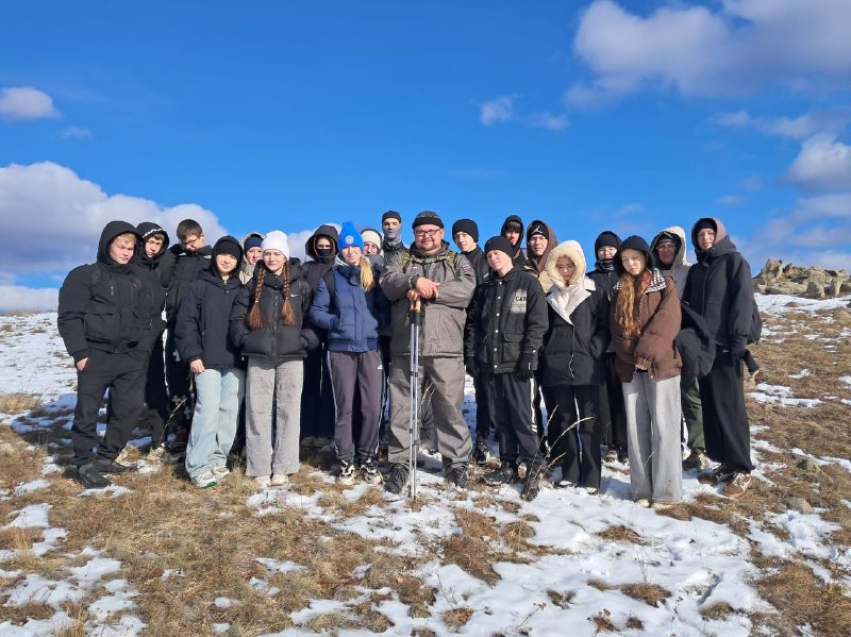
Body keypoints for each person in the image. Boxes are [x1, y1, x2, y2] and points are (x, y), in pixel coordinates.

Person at [58, 221, 163, 488]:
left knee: (128, 410)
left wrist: (142, 351)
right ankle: (84, 462)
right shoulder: (84, 275)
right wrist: (80, 353)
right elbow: (69, 316)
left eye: (131, 248)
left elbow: (148, 317)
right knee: (88, 412)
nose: (127, 252)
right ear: (107, 245)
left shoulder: (139, 280)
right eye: (121, 246)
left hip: (130, 357)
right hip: (95, 354)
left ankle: (107, 456)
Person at [379, 211, 476, 494]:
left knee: (448, 407)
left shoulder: (458, 261)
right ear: (414, 234)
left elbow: (465, 290)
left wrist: (430, 289)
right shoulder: (402, 259)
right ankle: (400, 461)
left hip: (446, 348)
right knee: (402, 407)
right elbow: (387, 282)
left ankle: (455, 462)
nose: (426, 236)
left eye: (432, 231)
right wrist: (411, 282)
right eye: (421, 232)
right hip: (406, 347)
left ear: (442, 232)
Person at [230, 231, 318, 489]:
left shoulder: (300, 285)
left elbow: (313, 319)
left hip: (292, 357)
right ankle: (259, 467)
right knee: (257, 411)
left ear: (285, 256)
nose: (271, 258)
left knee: (289, 411)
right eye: (267, 253)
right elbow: (236, 318)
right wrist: (244, 341)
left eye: (276, 253)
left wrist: (305, 341)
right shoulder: (253, 284)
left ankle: (283, 466)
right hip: (259, 356)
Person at [465, 236, 548, 500]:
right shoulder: (486, 287)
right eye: (489, 255)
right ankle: (508, 465)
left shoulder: (527, 283)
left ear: (509, 254)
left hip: (517, 364)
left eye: (497, 253)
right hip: (490, 364)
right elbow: (474, 325)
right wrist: (471, 355)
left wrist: (529, 355)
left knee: (523, 419)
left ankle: (533, 468)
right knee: (501, 419)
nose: (492, 257)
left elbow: (538, 323)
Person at [309, 222, 388, 485]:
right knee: (344, 408)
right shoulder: (330, 278)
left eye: (355, 246)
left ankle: (367, 458)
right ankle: (345, 460)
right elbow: (316, 312)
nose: (352, 251)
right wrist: (335, 323)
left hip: (370, 348)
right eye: (347, 247)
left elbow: (383, 308)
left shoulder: (372, 275)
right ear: (340, 250)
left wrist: (376, 323)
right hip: (341, 350)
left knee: (371, 406)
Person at [683, 218, 756, 499]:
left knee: (731, 409)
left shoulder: (734, 262)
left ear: (720, 235)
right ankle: (725, 464)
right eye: (700, 234)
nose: (704, 238)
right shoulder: (698, 269)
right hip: (704, 348)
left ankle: (742, 468)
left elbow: (742, 303)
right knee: (712, 407)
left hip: (727, 347)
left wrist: (738, 341)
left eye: (709, 233)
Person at [610, 236, 683, 509]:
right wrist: (633, 356)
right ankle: (641, 489)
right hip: (630, 368)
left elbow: (668, 320)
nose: (630, 263)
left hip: (662, 365)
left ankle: (666, 491)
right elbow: (617, 329)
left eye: (635, 258)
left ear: (644, 257)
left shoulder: (665, 284)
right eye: (625, 259)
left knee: (664, 428)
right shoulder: (618, 290)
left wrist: (645, 354)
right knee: (636, 428)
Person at [538, 240, 609, 494]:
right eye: (561, 266)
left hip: (587, 365)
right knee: (565, 421)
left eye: (570, 265)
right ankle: (571, 470)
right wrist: (547, 354)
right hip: (557, 367)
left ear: (579, 265)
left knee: (589, 423)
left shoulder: (595, 292)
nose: (566, 270)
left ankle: (591, 475)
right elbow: (544, 331)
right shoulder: (550, 297)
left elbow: (604, 326)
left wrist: (595, 348)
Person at [176, 236, 246, 488]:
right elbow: (186, 324)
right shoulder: (199, 287)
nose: (227, 260)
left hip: (235, 362)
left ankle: (218, 458)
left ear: (238, 262)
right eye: (223, 254)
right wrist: (192, 354)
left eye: (233, 257)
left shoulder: (242, 289)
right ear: (215, 255)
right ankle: (197, 465)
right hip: (205, 361)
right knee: (207, 411)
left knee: (228, 414)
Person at [650, 227, 707, 472]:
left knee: (691, 396)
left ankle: (698, 448)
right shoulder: (650, 275)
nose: (665, 249)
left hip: (686, 340)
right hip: (661, 344)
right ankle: (671, 445)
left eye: (669, 245)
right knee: (665, 398)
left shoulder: (690, 272)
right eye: (661, 245)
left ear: (678, 247)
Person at [164, 219, 213, 458]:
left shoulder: (212, 260)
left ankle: (202, 430)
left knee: (202, 383)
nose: (189, 246)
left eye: (192, 241)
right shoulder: (177, 260)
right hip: (174, 328)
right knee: (176, 380)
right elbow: (162, 268)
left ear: (202, 236)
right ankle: (181, 427)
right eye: (184, 242)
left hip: (200, 330)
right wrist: (175, 250)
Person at [451, 218, 490, 464]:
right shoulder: (455, 261)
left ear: (474, 236)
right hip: (459, 329)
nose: (461, 239)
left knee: (485, 388)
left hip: (482, 330)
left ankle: (484, 436)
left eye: (465, 235)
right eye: (457, 236)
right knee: (458, 385)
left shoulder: (486, 259)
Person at [134, 222, 174, 457]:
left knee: (156, 387)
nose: (153, 247)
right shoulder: (128, 267)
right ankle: (115, 440)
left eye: (158, 244)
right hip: (129, 338)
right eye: (150, 242)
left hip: (154, 335)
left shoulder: (158, 267)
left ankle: (159, 438)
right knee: (126, 389)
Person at [588, 230, 628, 464]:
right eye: (602, 249)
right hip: (600, 349)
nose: (606, 253)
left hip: (622, 349)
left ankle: (625, 442)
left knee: (622, 398)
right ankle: (610, 442)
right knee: (603, 399)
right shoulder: (590, 278)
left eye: (611, 249)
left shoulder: (626, 276)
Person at [300, 225, 340, 448]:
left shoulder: (338, 267)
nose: (324, 248)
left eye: (328, 245)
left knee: (331, 382)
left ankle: (326, 430)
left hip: (333, 330)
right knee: (310, 381)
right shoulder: (307, 268)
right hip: (309, 331)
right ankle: (307, 429)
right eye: (320, 244)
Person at [525, 220, 558, 292]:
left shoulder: (560, 268)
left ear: (549, 241)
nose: (537, 242)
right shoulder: (522, 270)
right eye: (533, 238)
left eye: (541, 238)